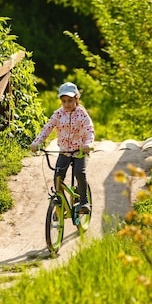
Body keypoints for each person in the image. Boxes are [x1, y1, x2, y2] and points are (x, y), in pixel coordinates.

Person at [30, 82, 95, 214]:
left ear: (76, 99)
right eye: (64, 101)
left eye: (70, 101)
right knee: (58, 175)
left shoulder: (81, 114)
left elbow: (89, 130)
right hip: (64, 151)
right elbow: (47, 128)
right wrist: (37, 142)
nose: (67, 104)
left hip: (79, 151)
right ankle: (60, 203)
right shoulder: (58, 114)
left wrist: (88, 144)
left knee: (79, 173)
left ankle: (84, 201)